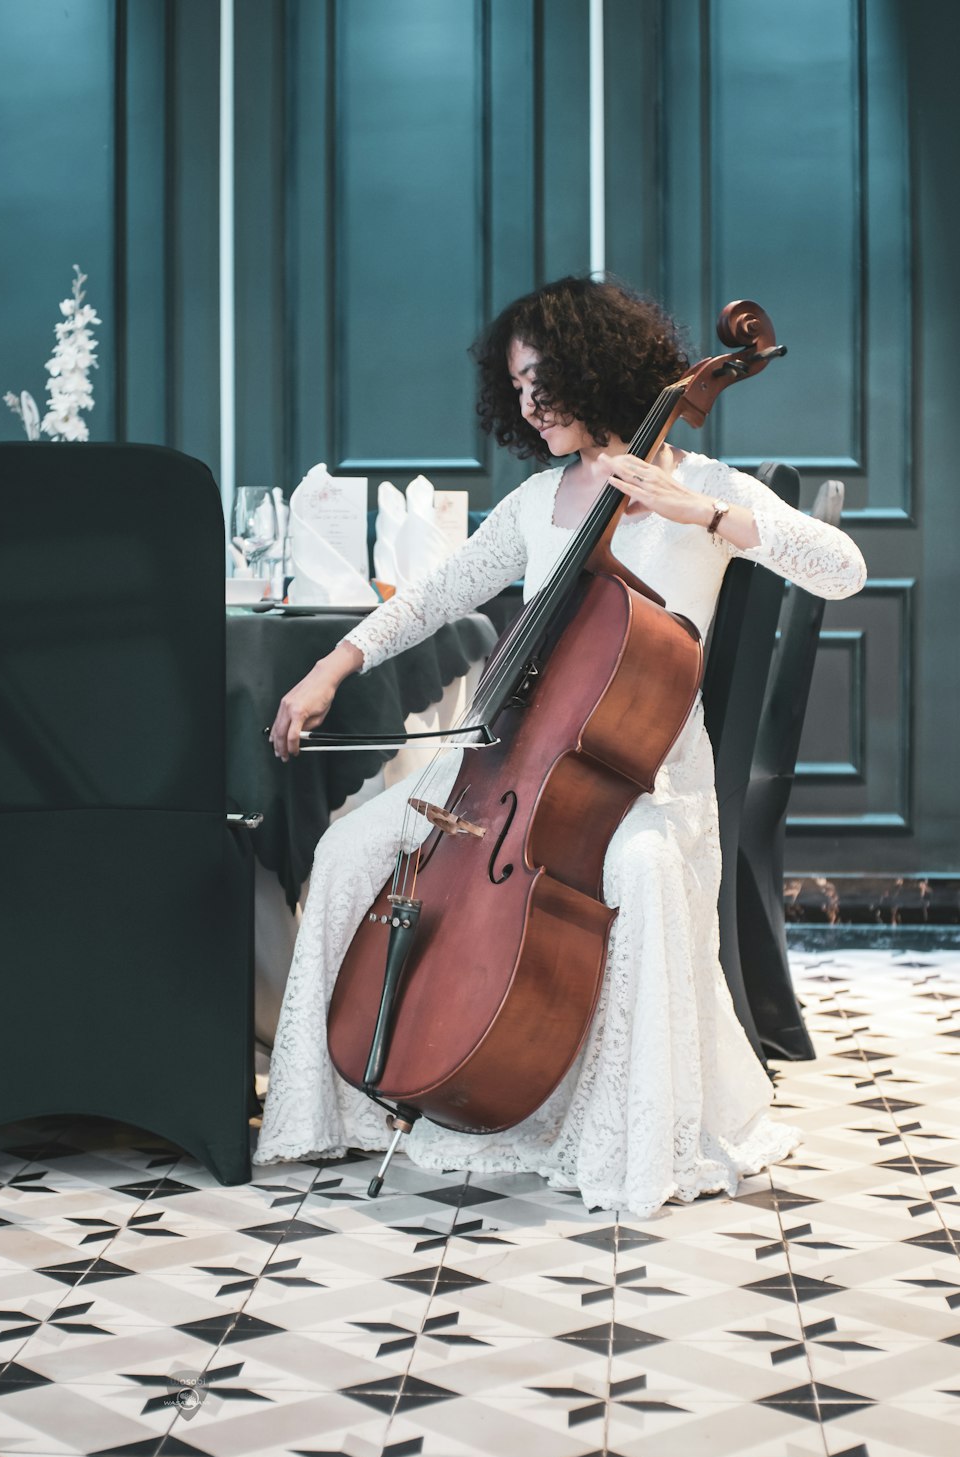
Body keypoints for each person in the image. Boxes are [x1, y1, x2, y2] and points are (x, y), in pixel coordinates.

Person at [254, 275, 866, 1217]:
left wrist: (695, 512)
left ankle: (628, 1135)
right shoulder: (541, 501)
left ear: (598, 370)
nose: (530, 406)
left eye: (545, 382)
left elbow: (843, 568)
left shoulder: (700, 486)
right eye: (518, 388)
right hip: (509, 772)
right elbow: (433, 596)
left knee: (647, 875)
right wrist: (333, 666)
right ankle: (345, 1107)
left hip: (642, 781)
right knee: (347, 849)